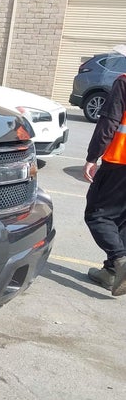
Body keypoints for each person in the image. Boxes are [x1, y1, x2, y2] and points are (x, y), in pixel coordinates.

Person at [84, 71, 126, 295]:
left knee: (97, 214)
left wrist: (92, 157)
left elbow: (109, 122)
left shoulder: (124, 81)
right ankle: (111, 273)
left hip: (121, 161)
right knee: (121, 216)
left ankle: (120, 260)